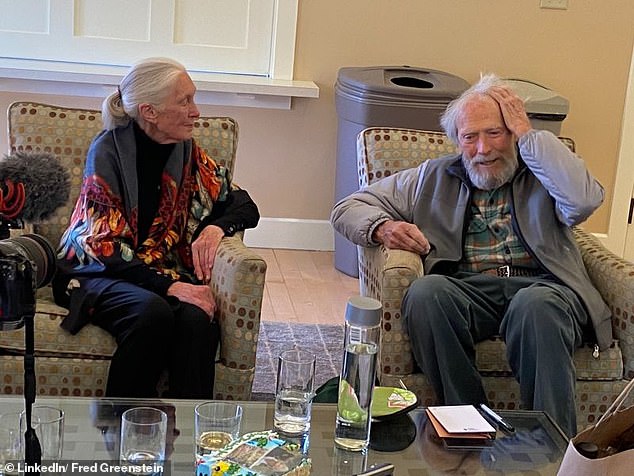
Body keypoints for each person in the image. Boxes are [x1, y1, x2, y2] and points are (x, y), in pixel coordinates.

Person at [331, 73, 612, 437]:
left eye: (495, 133)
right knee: (427, 293)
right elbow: (348, 208)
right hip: (469, 289)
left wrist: (529, 135)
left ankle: (551, 444)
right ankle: (470, 427)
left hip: (543, 287)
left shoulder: (544, 171)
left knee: (536, 306)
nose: (483, 149)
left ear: (513, 132)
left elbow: (584, 200)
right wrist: (382, 227)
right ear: (457, 141)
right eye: (470, 137)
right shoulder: (432, 177)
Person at [53, 57, 260, 399]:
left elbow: (244, 205)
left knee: (197, 320)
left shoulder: (185, 150)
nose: (196, 112)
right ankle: (120, 422)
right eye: (185, 101)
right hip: (93, 271)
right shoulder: (107, 151)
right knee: (152, 313)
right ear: (149, 111)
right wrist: (172, 287)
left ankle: (192, 427)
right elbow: (104, 247)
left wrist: (215, 229)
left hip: (154, 270)